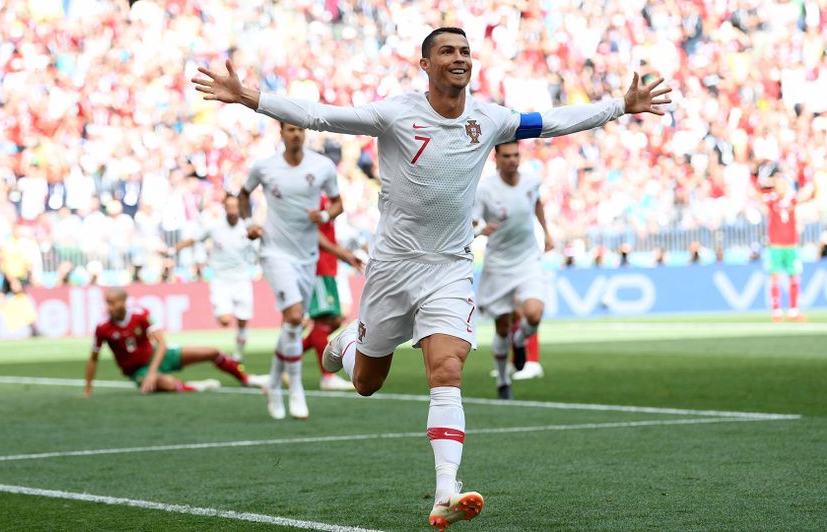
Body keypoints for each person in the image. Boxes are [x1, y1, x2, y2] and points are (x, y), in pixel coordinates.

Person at [193, 26, 670, 529]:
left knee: (446, 370)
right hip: (392, 269)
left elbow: (552, 122)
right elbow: (318, 114)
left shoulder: (488, 119)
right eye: (447, 51)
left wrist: (620, 106)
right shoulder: (395, 114)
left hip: (450, 268)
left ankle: (446, 492)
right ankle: (346, 342)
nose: (459, 57)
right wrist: (248, 96)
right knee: (366, 383)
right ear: (425, 64)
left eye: (465, 51)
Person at [238, 122, 344, 420]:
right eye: (290, 129)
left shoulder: (322, 166)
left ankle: (273, 382)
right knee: (295, 316)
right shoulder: (264, 167)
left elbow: (338, 204)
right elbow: (243, 195)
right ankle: (295, 388)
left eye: (300, 129)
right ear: (281, 133)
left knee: (293, 324)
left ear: (304, 133)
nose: (296, 134)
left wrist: (323, 215)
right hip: (274, 252)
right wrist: (249, 225)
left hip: (307, 256)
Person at [473, 141, 552, 399]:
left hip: (528, 259)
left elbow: (537, 202)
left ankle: (519, 341)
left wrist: (547, 233)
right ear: (496, 159)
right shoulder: (485, 189)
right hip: (498, 264)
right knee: (502, 327)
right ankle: (503, 380)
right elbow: (473, 219)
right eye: (506, 156)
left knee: (534, 314)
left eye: (516, 155)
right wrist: (480, 228)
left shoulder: (531, 181)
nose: (512, 160)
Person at [85, 288, 267, 396]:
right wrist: (88, 389)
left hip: (158, 356)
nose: (108, 307)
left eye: (112, 303)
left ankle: (246, 379)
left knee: (212, 352)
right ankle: (195, 386)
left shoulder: (141, 314)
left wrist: (152, 371)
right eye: (107, 303)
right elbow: (93, 358)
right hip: (137, 371)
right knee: (165, 383)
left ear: (124, 301)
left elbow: (162, 344)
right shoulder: (102, 327)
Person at [173, 194, 257, 360]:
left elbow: (260, 246)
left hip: (241, 278)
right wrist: (173, 249)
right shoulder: (215, 226)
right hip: (221, 279)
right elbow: (194, 239)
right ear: (224, 208)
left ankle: (238, 353)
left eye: (235, 207)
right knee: (225, 320)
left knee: (243, 319)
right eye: (229, 207)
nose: (233, 211)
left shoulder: (247, 229)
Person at [302, 194, 363, 391]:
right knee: (324, 320)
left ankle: (288, 357)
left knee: (335, 319)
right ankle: (327, 377)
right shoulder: (312, 197)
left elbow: (338, 208)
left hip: (328, 265)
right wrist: (342, 254)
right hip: (318, 265)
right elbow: (312, 233)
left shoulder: (327, 196)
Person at [756, 172, 814, 322]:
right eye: (778, 185)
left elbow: (806, 193)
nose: (780, 187)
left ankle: (793, 311)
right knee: (774, 276)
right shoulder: (771, 200)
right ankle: (776, 311)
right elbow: (756, 195)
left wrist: (809, 175)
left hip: (791, 246)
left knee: (794, 276)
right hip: (776, 246)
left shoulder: (792, 199)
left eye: (783, 184)